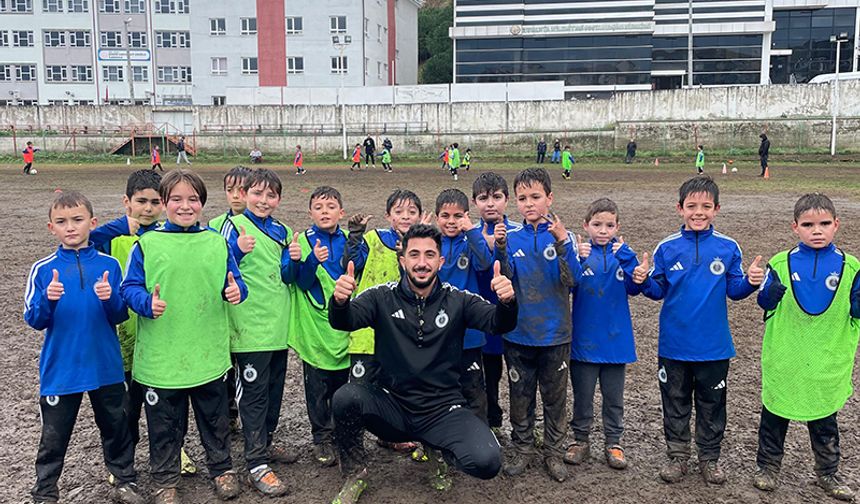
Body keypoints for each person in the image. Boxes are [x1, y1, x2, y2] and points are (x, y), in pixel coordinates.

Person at [327, 224, 518, 503]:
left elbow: (498, 323)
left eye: (429, 255)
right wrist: (340, 301)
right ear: (402, 260)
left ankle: (437, 451)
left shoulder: (458, 299)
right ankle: (356, 472)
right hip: (392, 406)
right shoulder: (381, 296)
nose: (421, 262)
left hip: (442, 408)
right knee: (345, 397)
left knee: (487, 462)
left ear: (440, 262)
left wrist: (507, 301)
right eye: (414, 254)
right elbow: (344, 321)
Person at [121, 169, 248, 504]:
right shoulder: (147, 245)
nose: (185, 205)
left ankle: (221, 468)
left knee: (215, 421)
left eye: (193, 199)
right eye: (176, 199)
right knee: (164, 425)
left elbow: (234, 281)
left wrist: (237, 291)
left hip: (208, 354)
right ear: (164, 204)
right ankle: (165, 479)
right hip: (162, 360)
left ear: (202, 204)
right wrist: (146, 303)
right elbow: (128, 288)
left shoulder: (217, 243)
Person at [632, 176, 763, 485]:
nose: (698, 212)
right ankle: (678, 456)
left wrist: (751, 282)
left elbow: (735, 289)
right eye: (691, 206)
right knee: (674, 402)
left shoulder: (728, 247)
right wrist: (642, 280)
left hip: (714, 347)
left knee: (712, 405)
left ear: (716, 209)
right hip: (674, 346)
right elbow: (657, 289)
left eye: (706, 206)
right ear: (680, 209)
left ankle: (709, 458)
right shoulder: (667, 247)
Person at [25, 190, 145, 504]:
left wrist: (110, 298)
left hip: (105, 365)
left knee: (116, 428)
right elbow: (34, 319)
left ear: (92, 223)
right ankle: (45, 492)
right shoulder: (42, 270)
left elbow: (120, 314)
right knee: (54, 437)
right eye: (62, 222)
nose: (71, 227)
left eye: (77, 220)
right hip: (62, 369)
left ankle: (124, 480)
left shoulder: (109, 265)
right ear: (51, 228)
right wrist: (47, 299)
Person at [753, 193, 860, 501]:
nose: (817, 230)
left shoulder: (851, 268)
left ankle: (828, 472)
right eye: (808, 224)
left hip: (826, 362)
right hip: (785, 358)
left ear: (836, 225)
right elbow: (764, 303)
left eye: (825, 223)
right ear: (795, 227)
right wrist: (768, 293)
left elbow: (856, 312)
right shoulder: (779, 263)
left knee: (824, 420)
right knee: (774, 417)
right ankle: (767, 467)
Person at [495, 167, 583, 482]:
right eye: (522, 198)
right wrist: (501, 249)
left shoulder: (564, 236)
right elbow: (504, 278)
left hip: (555, 335)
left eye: (536, 197)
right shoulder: (511, 236)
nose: (529, 204)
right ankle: (522, 449)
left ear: (549, 198)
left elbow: (574, 279)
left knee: (555, 398)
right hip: (518, 335)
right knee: (520, 396)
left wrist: (562, 244)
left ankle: (554, 453)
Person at [221, 168, 296, 496]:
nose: (263, 200)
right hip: (248, 328)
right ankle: (255, 463)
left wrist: (296, 261)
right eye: (257, 193)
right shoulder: (231, 227)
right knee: (252, 396)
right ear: (245, 194)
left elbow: (288, 275)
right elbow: (216, 269)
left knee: (274, 391)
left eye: (271, 195)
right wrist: (235, 250)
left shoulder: (283, 230)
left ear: (278, 199)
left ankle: (265, 443)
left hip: (278, 326)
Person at [564, 198, 641, 471]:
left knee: (614, 397)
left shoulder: (624, 256)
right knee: (582, 395)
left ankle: (614, 441)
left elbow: (636, 287)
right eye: (597, 224)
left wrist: (630, 259)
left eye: (609, 225)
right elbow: (566, 284)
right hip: (584, 340)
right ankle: (580, 439)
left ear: (617, 227)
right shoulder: (580, 255)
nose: (603, 230)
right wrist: (574, 258)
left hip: (615, 341)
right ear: (586, 226)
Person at [290, 186, 351, 468]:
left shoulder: (351, 240)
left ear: (341, 212)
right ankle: (321, 438)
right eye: (318, 207)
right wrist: (311, 259)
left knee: (344, 386)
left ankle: (343, 434)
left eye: (330, 206)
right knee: (317, 389)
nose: (324, 212)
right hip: (315, 330)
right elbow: (299, 282)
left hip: (344, 326)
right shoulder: (301, 241)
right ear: (310, 212)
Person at [435, 189, 494, 426]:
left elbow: (484, 263)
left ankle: (480, 437)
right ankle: (437, 441)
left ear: (467, 216)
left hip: (468, 332)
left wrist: (471, 231)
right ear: (436, 216)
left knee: (473, 389)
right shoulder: (432, 243)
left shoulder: (470, 242)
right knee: (437, 388)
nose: (451, 221)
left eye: (457, 216)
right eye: (445, 216)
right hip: (437, 331)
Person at [472, 172, 522, 436]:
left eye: (497, 197)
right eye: (483, 198)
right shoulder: (469, 233)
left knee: (520, 378)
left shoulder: (518, 231)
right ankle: (492, 421)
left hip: (515, 322)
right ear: (474, 202)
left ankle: (523, 428)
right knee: (488, 376)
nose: (490, 203)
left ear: (507, 200)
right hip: (482, 323)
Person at [208, 166, 253, 234]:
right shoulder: (214, 225)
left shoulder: (266, 226)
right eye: (229, 190)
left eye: (242, 190)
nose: (235, 195)